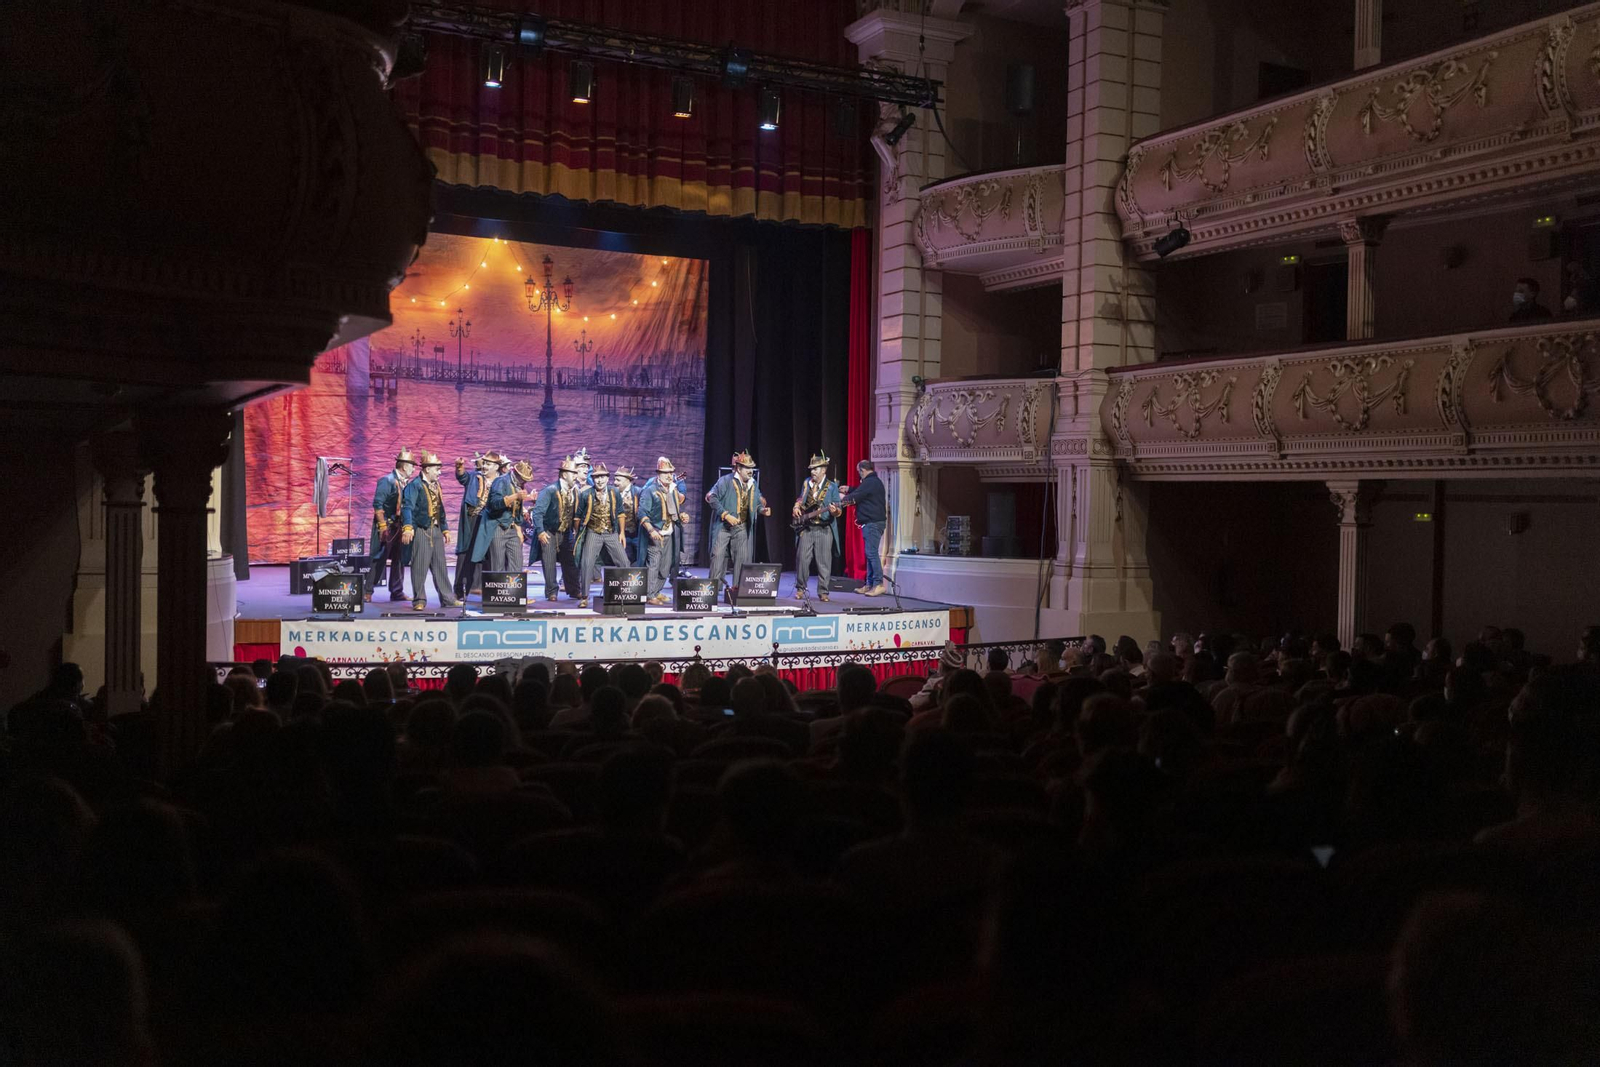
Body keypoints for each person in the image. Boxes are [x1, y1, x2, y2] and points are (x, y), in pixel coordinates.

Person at [399, 452, 462, 611]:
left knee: (440, 565)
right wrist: (408, 527)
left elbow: (440, 509)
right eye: (437, 469)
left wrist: (445, 528)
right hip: (421, 530)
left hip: (435, 530)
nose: (439, 472)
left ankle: (447, 598)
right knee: (419, 566)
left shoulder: (436, 484)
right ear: (427, 469)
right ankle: (419, 599)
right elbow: (407, 508)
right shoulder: (415, 486)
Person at [706, 450, 770, 596]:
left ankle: (737, 591)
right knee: (717, 557)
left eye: (752, 468)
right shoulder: (725, 481)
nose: (750, 471)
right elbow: (712, 498)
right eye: (747, 468)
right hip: (723, 526)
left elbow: (755, 503)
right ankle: (712, 592)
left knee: (742, 559)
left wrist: (762, 510)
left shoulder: (752, 485)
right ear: (738, 468)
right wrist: (726, 515)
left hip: (741, 527)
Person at [575, 462, 630, 610]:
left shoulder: (614, 492)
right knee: (587, 563)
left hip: (611, 532)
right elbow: (577, 517)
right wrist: (579, 534)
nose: (599, 480)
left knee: (624, 562)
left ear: (607, 478)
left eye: (602, 477)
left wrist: (622, 533)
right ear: (593, 479)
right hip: (594, 532)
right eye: (596, 477)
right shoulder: (586, 494)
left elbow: (620, 513)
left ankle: (621, 594)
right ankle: (584, 596)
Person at [530, 455, 583, 602]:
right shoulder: (550, 490)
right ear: (565, 474)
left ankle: (574, 590)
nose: (576, 476)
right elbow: (538, 512)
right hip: (549, 531)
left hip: (566, 532)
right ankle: (551, 592)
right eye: (574, 473)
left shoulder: (575, 491)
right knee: (549, 561)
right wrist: (540, 531)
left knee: (572, 561)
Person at [791, 451, 842, 603]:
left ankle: (823, 592)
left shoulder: (832, 487)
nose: (812, 471)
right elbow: (801, 497)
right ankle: (800, 589)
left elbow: (839, 509)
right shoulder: (807, 482)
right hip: (807, 528)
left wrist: (835, 511)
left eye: (816, 468)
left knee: (824, 562)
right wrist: (796, 506)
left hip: (824, 529)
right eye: (812, 469)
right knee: (802, 560)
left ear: (824, 470)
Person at [366, 447, 414, 602]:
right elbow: (378, 505)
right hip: (386, 526)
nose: (413, 469)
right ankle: (367, 591)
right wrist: (382, 527)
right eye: (412, 465)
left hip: (399, 527)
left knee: (399, 559)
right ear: (405, 466)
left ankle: (397, 591)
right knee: (378, 558)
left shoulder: (407, 483)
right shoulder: (387, 481)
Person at [637, 456, 686, 606]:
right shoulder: (650, 491)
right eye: (665, 473)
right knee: (654, 564)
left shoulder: (672, 490)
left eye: (671, 473)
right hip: (656, 534)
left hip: (669, 534)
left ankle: (656, 591)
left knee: (666, 567)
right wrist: (651, 530)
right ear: (658, 474)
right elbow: (642, 513)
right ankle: (650, 594)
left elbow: (672, 512)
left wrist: (681, 516)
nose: (669, 476)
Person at [840, 458, 887, 596]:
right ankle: (869, 584)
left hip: (873, 523)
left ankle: (878, 584)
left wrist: (842, 498)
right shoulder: (872, 482)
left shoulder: (870, 482)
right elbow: (861, 492)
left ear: (862, 470)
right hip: (872, 523)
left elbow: (858, 496)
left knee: (872, 553)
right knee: (869, 553)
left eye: (859, 472)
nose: (858, 475)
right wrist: (849, 489)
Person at [478, 452, 528, 574]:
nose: (524, 482)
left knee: (517, 561)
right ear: (516, 473)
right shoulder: (501, 481)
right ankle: (498, 592)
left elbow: (516, 511)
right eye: (523, 478)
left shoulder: (518, 485)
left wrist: (519, 531)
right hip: (499, 527)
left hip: (512, 529)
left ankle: (515, 591)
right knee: (498, 564)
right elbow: (494, 504)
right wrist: (515, 496)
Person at [452, 452, 490, 601]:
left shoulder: (497, 480)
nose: (484, 466)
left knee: (487, 555)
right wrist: (459, 467)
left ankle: (488, 588)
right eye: (483, 463)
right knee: (466, 553)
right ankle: (460, 590)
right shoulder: (473, 477)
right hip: (472, 519)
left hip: (488, 520)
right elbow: (462, 477)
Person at [613, 466, 640, 564]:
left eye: (618, 480)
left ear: (627, 480)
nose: (615, 482)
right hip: (622, 534)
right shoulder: (613, 493)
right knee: (625, 560)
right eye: (615, 479)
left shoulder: (637, 492)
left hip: (637, 534)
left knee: (639, 560)